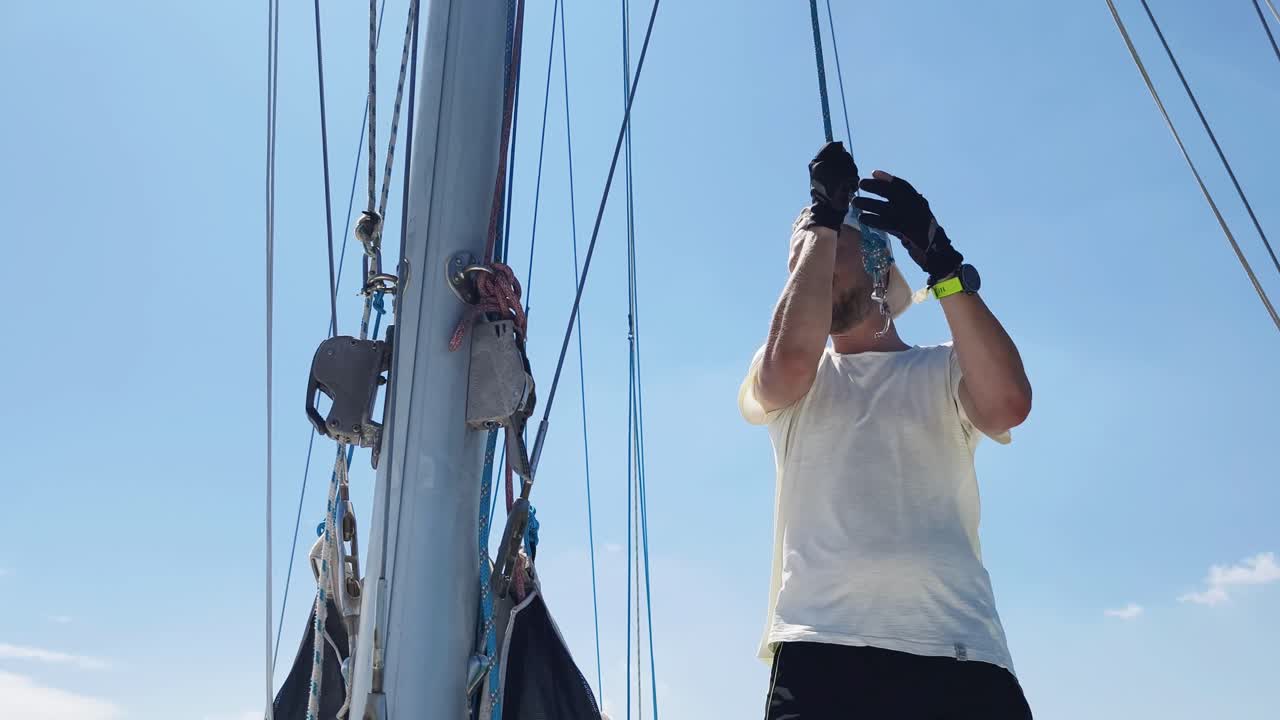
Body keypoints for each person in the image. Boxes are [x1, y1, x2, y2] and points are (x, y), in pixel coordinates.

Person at [739, 142, 1034, 719]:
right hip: (820, 653)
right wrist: (824, 220)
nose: (812, 266)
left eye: (827, 250)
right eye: (801, 259)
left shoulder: (947, 367)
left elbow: (1007, 404)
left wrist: (942, 263)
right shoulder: (791, 378)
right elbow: (789, 365)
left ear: (879, 263)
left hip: (960, 653)